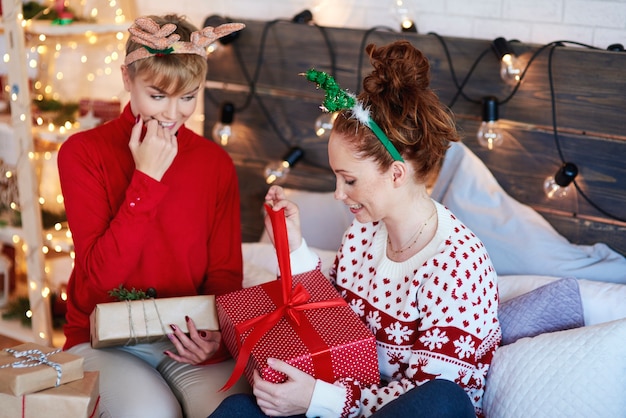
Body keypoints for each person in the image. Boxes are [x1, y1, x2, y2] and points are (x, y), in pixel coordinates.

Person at [209, 40, 501, 418]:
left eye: (349, 180)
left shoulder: (457, 265)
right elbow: (330, 322)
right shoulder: (363, 234)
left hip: (396, 411)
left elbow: (433, 399)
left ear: (396, 173)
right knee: (238, 410)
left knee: (441, 399)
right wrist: (293, 244)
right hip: (339, 405)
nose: (338, 194)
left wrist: (317, 399)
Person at [57, 14, 250, 418]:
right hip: (102, 339)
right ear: (128, 79)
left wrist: (218, 336)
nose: (173, 114)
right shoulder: (83, 154)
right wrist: (146, 179)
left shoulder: (214, 163)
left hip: (186, 338)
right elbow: (97, 284)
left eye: (188, 96)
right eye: (158, 95)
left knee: (235, 411)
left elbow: (225, 275)